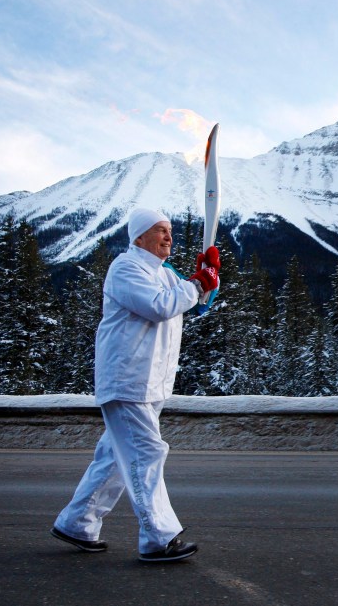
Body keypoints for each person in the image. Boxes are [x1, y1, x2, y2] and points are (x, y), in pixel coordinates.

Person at [51, 207, 220, 563]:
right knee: (146, 454)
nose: (168, 236)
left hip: (151, 383)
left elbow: (198, 304)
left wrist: (209, 276)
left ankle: (77, 523)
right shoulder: (126, 268)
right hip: (127, 380)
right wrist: (196, 282)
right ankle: (158, 537)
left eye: (169, 230)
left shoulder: (166, 274)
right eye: (159, 230)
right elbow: (159, 307)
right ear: (139, 236)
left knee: (114, 458)